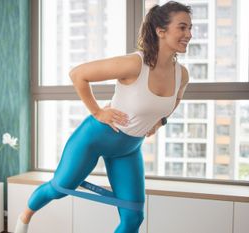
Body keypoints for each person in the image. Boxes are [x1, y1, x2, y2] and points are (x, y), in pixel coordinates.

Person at [15, 1, 192, 233]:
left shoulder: (182, 75)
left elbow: (174, 101)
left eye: (190, 28)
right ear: (161, 31)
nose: (189, 34)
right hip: (95, 138)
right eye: (182, 27)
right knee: (58, 189)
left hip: (129, 149)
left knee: (133, 217)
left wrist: (159, 122)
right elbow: (78, 74)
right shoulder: (134, 64)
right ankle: (23, 218)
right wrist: (98, 112)